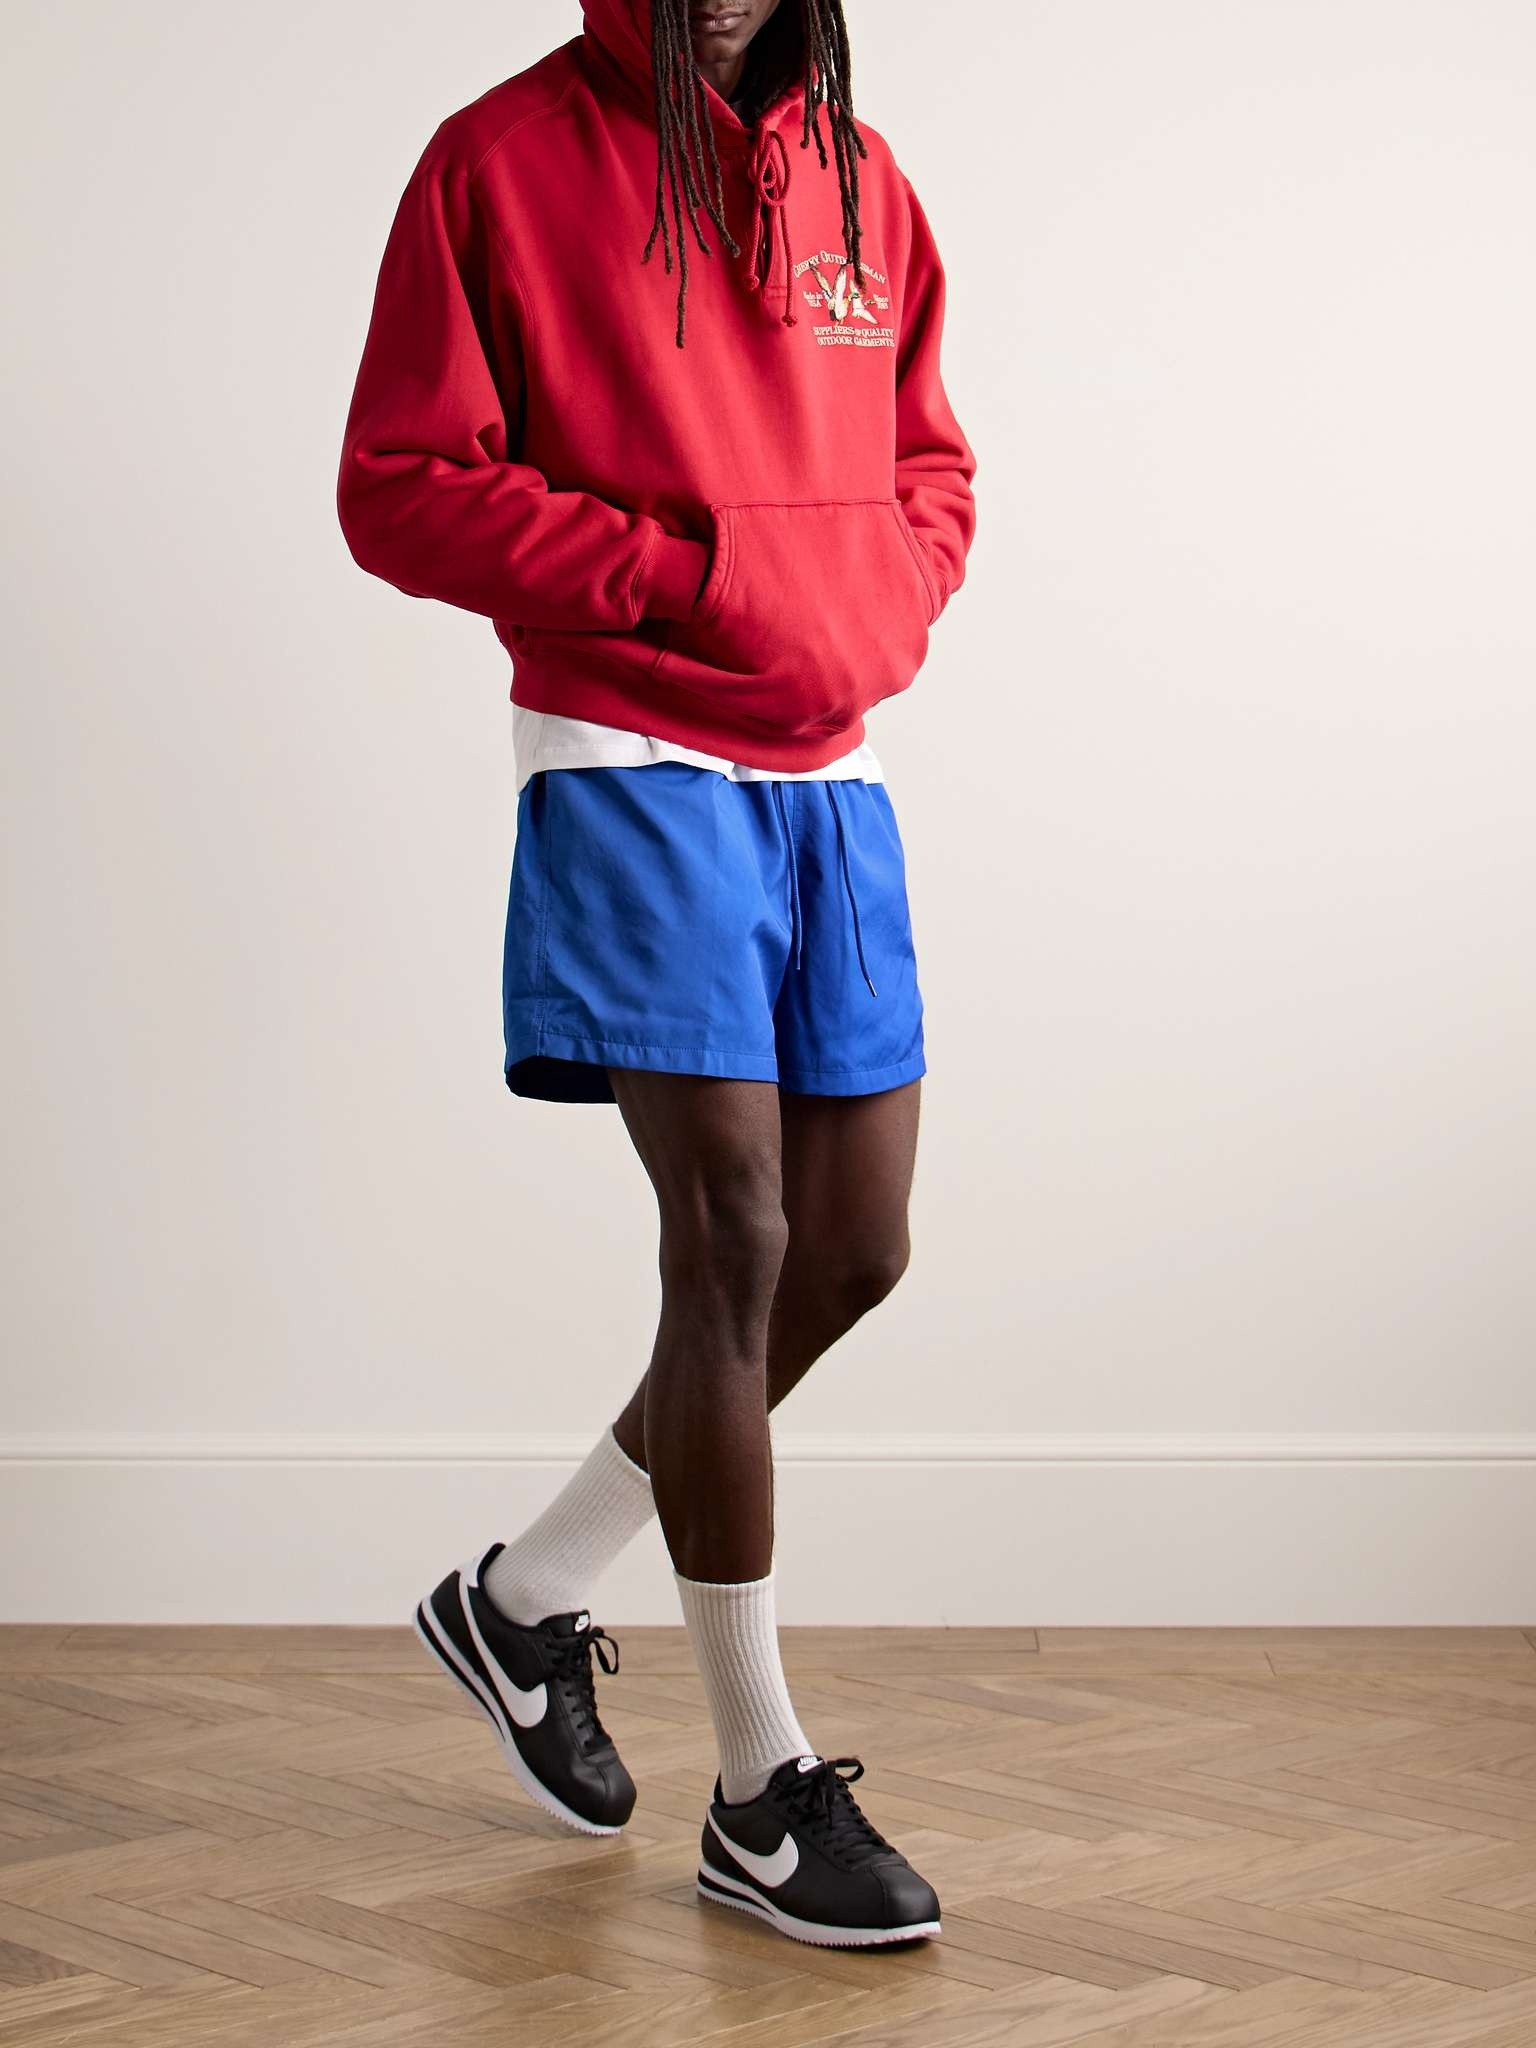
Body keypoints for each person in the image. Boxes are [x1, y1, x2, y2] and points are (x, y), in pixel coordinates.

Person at [338, 0, 975, 1949]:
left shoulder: (865, 178)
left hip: (832, 771)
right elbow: (399, 483)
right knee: (736, 1238)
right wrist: (692, 578)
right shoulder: (498, 161)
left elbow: (932, 460)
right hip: (630, 756)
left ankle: (525, 1599)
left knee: (855, 1249)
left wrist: (874, 595)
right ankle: (761, 1792)